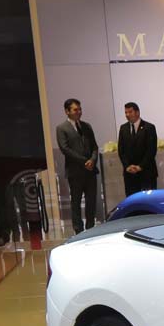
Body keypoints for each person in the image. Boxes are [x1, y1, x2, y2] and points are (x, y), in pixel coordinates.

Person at [55, 98, 99, 233]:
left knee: (91, 201)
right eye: (75, 110)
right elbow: (65, 149)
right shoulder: (62, 128)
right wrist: (84, 161)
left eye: (80, 109)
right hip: (75, 172)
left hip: (90, 171)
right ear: (67, 111)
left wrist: (92, 160)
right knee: (76, 202)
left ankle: (91, 229)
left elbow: (94, 147)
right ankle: (78, 230)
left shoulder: (87, 126)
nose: (79, 112)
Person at [117, 102, 158, 196]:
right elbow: (121, 150)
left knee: (148, 202)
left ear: (137, 112)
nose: (127, 115)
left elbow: (151, 150)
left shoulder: (149, 127)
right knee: (132, 202)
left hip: (147, 174)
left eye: (130, 112)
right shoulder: (123, 128)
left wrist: (140, 166)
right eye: (126, 112)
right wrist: (127, 166)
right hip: (129, 175)